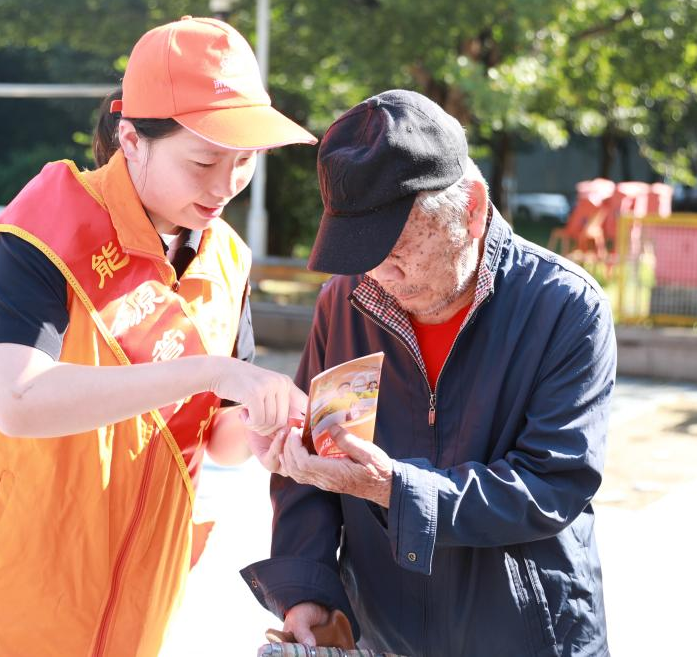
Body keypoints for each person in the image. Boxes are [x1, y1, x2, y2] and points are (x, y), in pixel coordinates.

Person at [0, 16, 316, 657]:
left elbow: (220, 436)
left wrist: (270, 433)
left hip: (130, 609)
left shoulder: (227, 260)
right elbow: (19, 402)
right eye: (204, 160)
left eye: (245, 162)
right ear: (133, 140)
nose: (225, 184)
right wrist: (213, 373)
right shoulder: (44, 229)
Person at [242, 90, 616, 657]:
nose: (380, 273)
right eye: (361, 250)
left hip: (528, 637)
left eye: (399, 249)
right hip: (384, 635)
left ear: (470, 208)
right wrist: (308, 592)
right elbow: (312, 466)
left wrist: (395, 488)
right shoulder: (344, 301)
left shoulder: (564, 306)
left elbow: (551, 485)